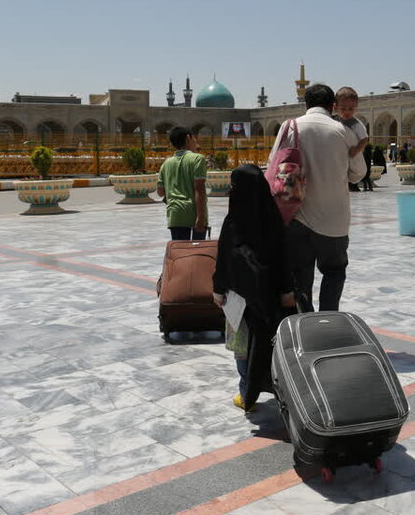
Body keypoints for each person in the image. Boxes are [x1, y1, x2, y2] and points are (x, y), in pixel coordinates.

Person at [273, 83, 366, 312]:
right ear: (332, 105)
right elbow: (358, 174)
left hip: (297, 216)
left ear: (305, 104)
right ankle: (328, 321)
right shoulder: (343, 131)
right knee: (334, 271)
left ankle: (305, 324)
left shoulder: (290, 126)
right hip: (333, 220)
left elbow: (273, 165)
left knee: (300, 275)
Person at [213, 165, 296, 410]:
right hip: (268, 297)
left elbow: (223, 260)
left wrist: (218, 289)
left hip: (239, 298)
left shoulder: (233, 220)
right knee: (266, 342)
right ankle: (270, 386)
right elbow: (283, 258)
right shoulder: (272, 217)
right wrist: (287, 290)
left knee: (242, 347)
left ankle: (246, 392)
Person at [156, 126, 208, 240]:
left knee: (180, 254)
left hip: (175, 215)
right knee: (196, 255)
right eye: (194, 138)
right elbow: (199, 189)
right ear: (188, 138)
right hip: (194, 213)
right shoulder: (197, 159)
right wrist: (201, 218)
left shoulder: (166, 163)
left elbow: (160, 192)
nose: (195, 142)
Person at [334, 86, 369, 192]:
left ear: (356, 107)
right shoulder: (334, 121)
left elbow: (364, 139)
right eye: (343, 108)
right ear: (335, 107)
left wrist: (357, 149)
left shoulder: (356, 124)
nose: (347, 112)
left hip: (352, 155)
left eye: (351, 109)